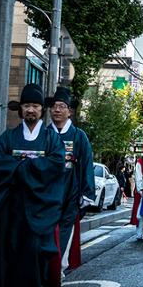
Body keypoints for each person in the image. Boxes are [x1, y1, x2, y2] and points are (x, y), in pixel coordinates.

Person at [0, 84, 65, 287]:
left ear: (41, 109)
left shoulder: (50, 139)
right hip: (12, 204)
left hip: (39, 203)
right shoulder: (9, 137)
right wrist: (28, 167)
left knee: (35, 248)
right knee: (11, 247)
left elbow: (55, 163)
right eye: (26, 105)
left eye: (35, 105)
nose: (31, 110)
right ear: (21, 109)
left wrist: (21, 168)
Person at [46, 87, 94, 275]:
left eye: (62, 106)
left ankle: (58, 267)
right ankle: (44, 268)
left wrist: (86, 192)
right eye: (54, 106)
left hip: (70, 190)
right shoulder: (45, 133)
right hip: (45, 191)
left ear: (69, 111)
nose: (57, 110)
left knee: (65, 229)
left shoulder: (78, 136)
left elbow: (86, 164)